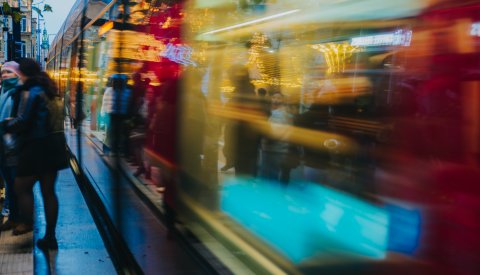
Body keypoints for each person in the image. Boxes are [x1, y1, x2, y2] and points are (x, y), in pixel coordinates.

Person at [2, 58, 68, 250]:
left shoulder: (31, 90)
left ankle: (27, 224)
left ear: (22, 73)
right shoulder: (48, 88)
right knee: (49, 192)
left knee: (21, 186)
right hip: (54, 146)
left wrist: (6, 124)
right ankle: (50, 237)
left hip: (35, 147)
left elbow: (23, 121)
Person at [259, 92, 298, 183]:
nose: (275, 100)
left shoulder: (280, 114)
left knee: (269, 177)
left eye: (278, 98)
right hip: (274, 150)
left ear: (283, 100)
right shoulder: (274, 113)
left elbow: (274, 134)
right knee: (271, 176)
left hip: (274, 150)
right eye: (274, 97)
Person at [0, 61, 20, 230]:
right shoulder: (4, 91)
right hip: (3, 143)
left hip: (12, 145)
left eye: (9, 72)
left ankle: (13, 214)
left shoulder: (17, 91)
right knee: (7, 178)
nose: (5, 75)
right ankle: (10, 211)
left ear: (17, 74)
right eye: (3, 72)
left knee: (12, 181)